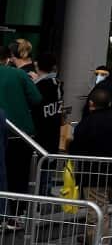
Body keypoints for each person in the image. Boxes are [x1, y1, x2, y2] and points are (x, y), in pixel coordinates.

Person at [67, 87, 112, 245]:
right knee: (106, 211)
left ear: (91, 103)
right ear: (109, 103)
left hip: (93, 175)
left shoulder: (87, 123)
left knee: (96, 214)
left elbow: (76, 148)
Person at [0, 45, 41, 227]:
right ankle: (14, 213)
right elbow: (37, 99)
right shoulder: (18, 75)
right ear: (7, 58)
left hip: (6, 129)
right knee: (18, 174)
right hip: (20, 131)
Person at [32, 53, 63, 197]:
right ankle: (46, 191)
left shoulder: (40, 86)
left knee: (39, 164)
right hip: (53, 131)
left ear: (38, 66)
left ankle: (40, 193)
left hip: (40, 132)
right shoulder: (57, 85)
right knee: (48, 163)